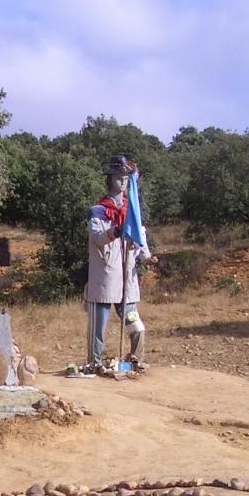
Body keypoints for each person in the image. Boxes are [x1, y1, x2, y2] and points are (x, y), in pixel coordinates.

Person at [84, 155, 154, 374]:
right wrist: (115, 231)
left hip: (127, 281)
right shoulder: (98, 212)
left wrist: (147, 256)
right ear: (110, 179)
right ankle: (95, 363)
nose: (122, 182)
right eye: (118, 177)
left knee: (136, 325)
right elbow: (97, 238)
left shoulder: (133, 212)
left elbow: (141, 244)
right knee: (98, 330)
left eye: (126, 178)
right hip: (104, 278)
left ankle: (135, 360)